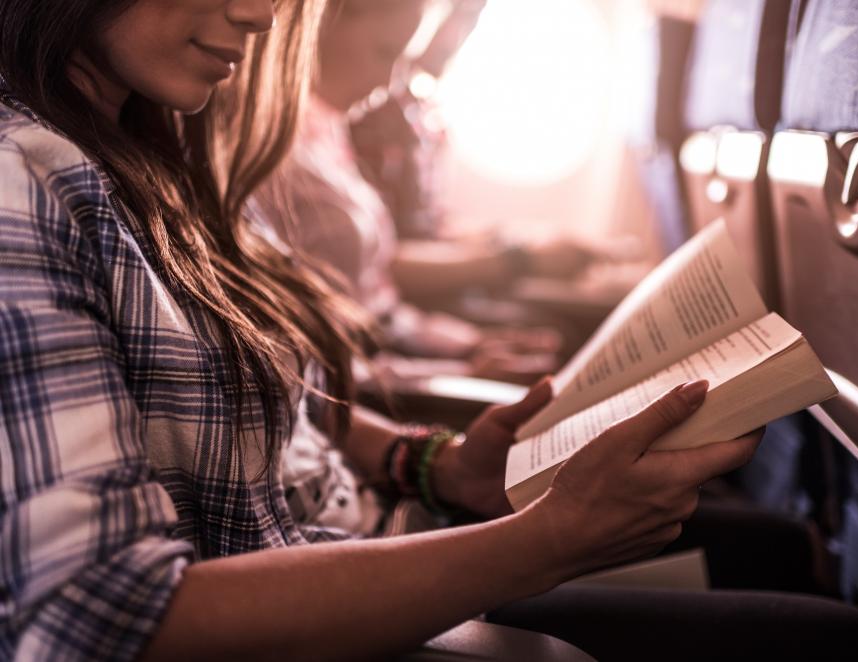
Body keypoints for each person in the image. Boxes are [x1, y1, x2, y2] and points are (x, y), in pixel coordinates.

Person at [0, 0, 763, 659]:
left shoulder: (153, 156)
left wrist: (432, 464)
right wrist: (544, 543)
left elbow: (260, 396)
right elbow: (95, 621)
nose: (263, 16)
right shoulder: (22, 183)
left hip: (352, 545)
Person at [259, 0, 605, 386]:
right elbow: (322, 358)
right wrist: (459, 368)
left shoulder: (327, 128)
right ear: (323, 23)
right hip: (364, 380)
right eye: (384, 52)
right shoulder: (272, 151)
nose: (391, 80)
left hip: (390, 346)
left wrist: (469, 347)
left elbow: (383, 306)